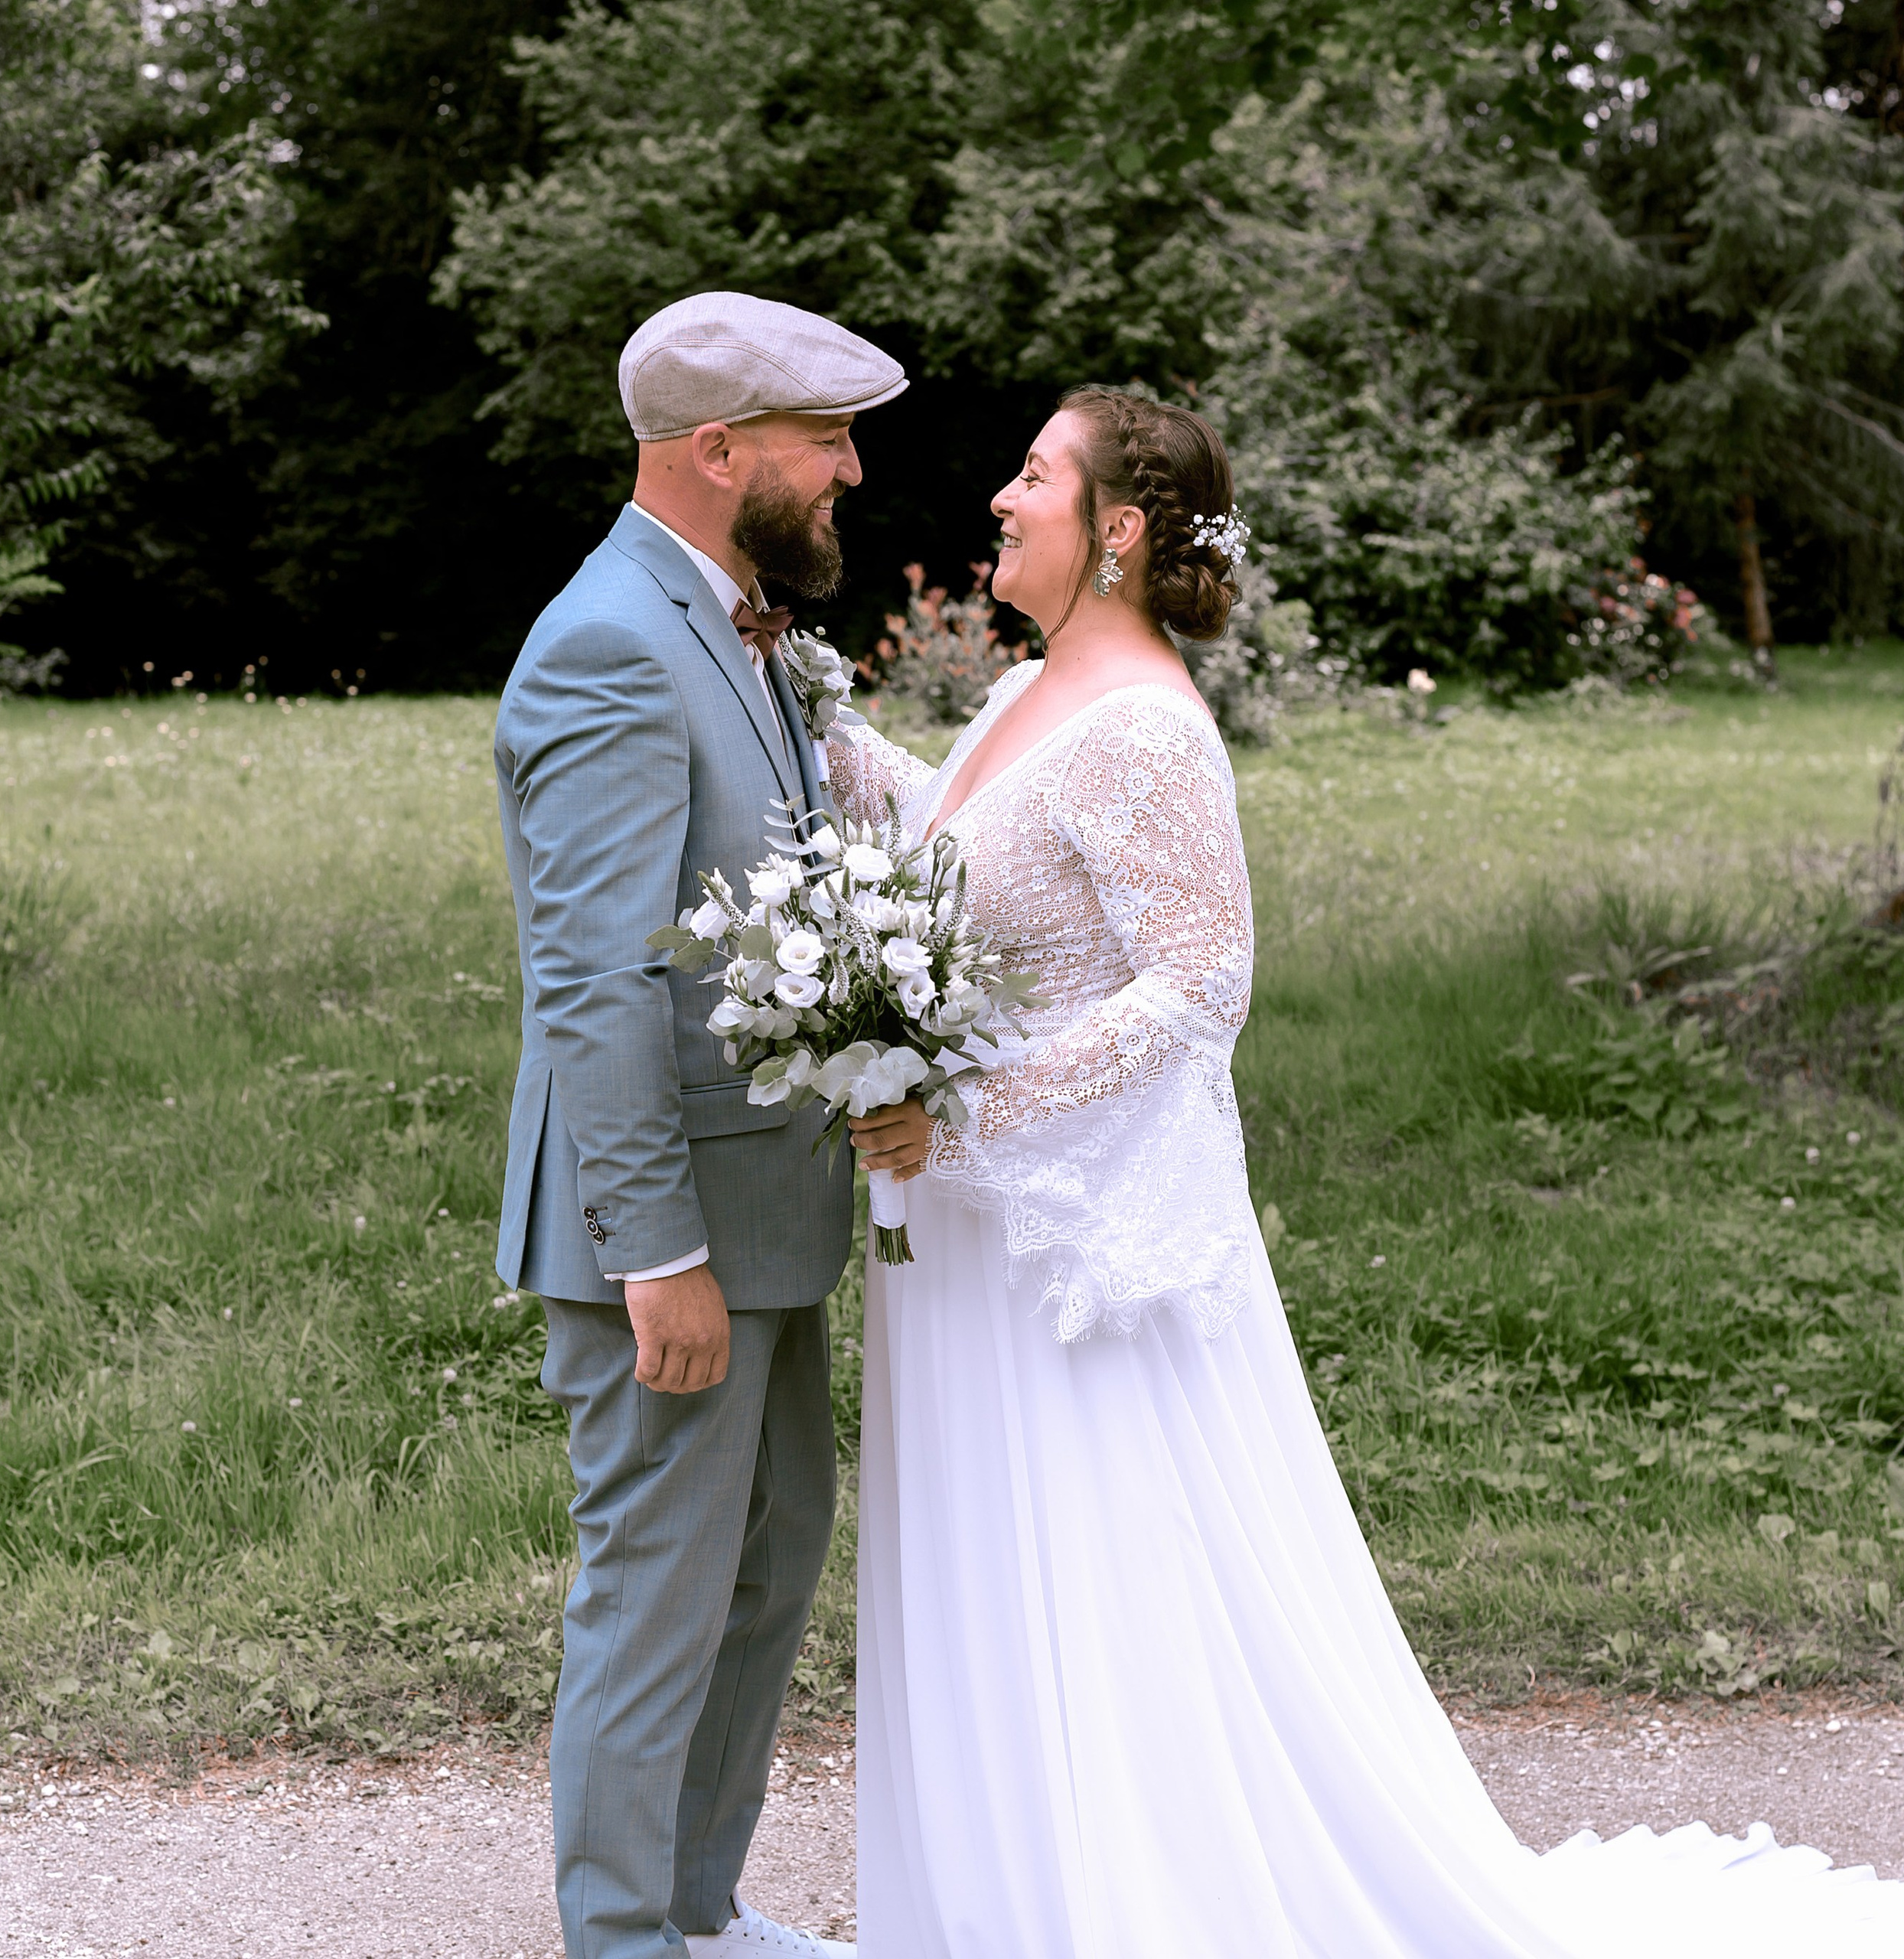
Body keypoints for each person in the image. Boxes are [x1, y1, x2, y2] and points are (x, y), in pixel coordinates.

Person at [830, 386, 1904, 1957]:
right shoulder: (1032, 691)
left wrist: (970, 1113)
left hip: (1074, 1253)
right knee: (1000, 1584)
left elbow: (1197, 987)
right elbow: (956, 835)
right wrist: (803, 712)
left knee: (1104, 1578)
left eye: (1033, 476)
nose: (998, 497)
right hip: (982, 1248)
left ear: (1116, 530)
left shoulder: (1142, 724)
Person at [494, 292, 905, 1959]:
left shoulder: (729, 619)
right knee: (658, 1596)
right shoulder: (606, 637)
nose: (854, 473)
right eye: (828, 442)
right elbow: (592, 981)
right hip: (666, 1237)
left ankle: (697, 1906)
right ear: (720, 449)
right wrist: (655, 1251)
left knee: (764, 1563)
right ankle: (620, 1936)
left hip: (768, 1213)